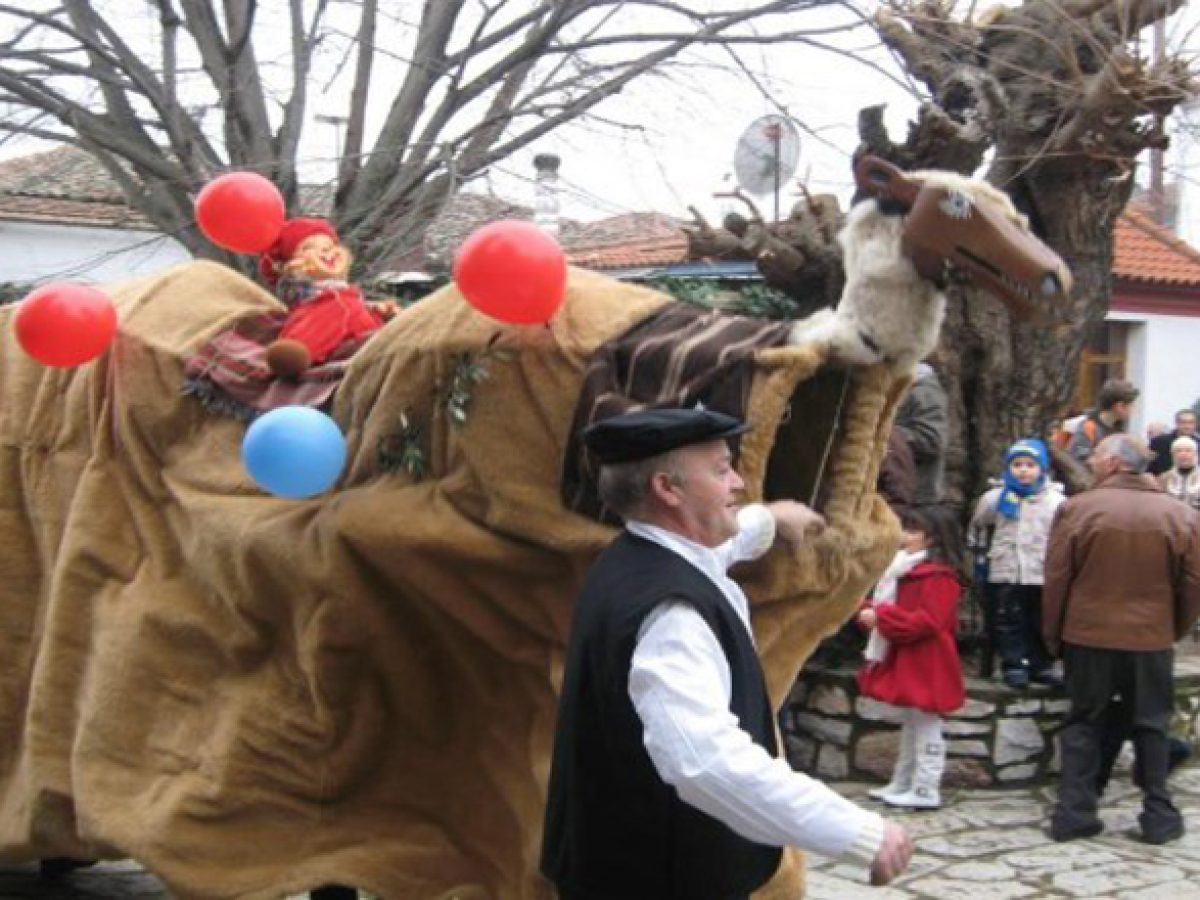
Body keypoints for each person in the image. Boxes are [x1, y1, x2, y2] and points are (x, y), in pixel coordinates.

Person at [541, 407, 913, 898]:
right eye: (720, 470)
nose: (738, 482)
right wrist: (859, 834)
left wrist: (770, 520)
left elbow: (715, 554)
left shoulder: (639, 556)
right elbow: (706, 761)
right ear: (667, 489)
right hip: (658, 881)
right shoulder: (671, 613)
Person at [1042, 434, 1200, 844]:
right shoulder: (1179, 514)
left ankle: (1074, 812)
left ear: (1112, 463)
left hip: (1088, 633)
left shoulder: (1077, 509)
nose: (1091, 463)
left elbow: (1058, 579)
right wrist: (1172, 628)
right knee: (1151, 724)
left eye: (1096, 457)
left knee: (1083, 721)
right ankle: (1158, 815)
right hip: (1151, 637)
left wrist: (1054, 636)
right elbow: (1192, 585)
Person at [856, 506, 967, 809]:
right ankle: (903, 781)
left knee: (926, 723)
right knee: (913, 722)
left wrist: (881, 617)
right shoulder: (905, 571)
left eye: (913, 531)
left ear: (931, 539)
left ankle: (926, 787)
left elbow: (929, 620)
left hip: (927, 659)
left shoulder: (938, 577)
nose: (904, 537)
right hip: (912, 655)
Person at [968, 439, 1066, 689]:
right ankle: (1014, 664)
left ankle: (1040, 664)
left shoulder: (1054, 500)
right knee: (1009, 619)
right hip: (1007, 567)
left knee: (1039, 620)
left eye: (1030, 465)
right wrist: (981, 558)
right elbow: (979, 525)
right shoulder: (995, 498)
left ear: (1042, 469)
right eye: (1018, 465)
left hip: (1040, 568)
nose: (1023, 470)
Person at [894, 361, 948, 507]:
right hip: (893, 491)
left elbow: (932, 440)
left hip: (916, 498)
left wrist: (889, 434)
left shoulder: (923, 390)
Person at [1066, 379, 1139, 465]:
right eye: (1131, 405)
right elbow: (1078, 458)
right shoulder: (1088, 427)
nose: (1134, 409)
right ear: (1119, 406)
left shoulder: (1120, 427)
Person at [1148, 409, 1199, 476]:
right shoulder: (1159, 442)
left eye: (1191, 423)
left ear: (1196, 424)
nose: (1187, 426)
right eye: (1183, 422)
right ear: (1176, 423)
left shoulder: (1198, 443)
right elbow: (1148, 467)